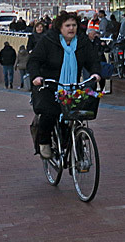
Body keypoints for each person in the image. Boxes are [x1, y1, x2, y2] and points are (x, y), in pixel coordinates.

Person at [27, 12, 102, 159]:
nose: (71, 28)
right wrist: (36, 76)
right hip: (49, 85)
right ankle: (44, 142)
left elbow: (93, 60)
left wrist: (95, 73)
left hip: (72, 86)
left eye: (74, 25)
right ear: (60, 27)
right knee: (49, 112)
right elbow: (34, 60)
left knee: (78, 113)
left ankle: (75, 146)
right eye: (67, 25)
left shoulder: (82, 42)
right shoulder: (48, 41)